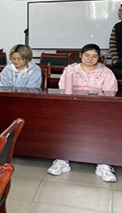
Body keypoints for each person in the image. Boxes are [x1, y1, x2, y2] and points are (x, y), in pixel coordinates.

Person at [49, 44, 118, 182]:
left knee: (105, 128)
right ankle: (62, 160)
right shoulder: (70, 70)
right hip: (72, 107)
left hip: (98, 108)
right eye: (87, 55)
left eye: (94, 56)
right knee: (61, 124)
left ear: (99, 58)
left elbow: (110, 94)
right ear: (80, 55)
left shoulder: (106, 72)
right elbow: (63, 89)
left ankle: (103, 164)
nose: (90, 59)